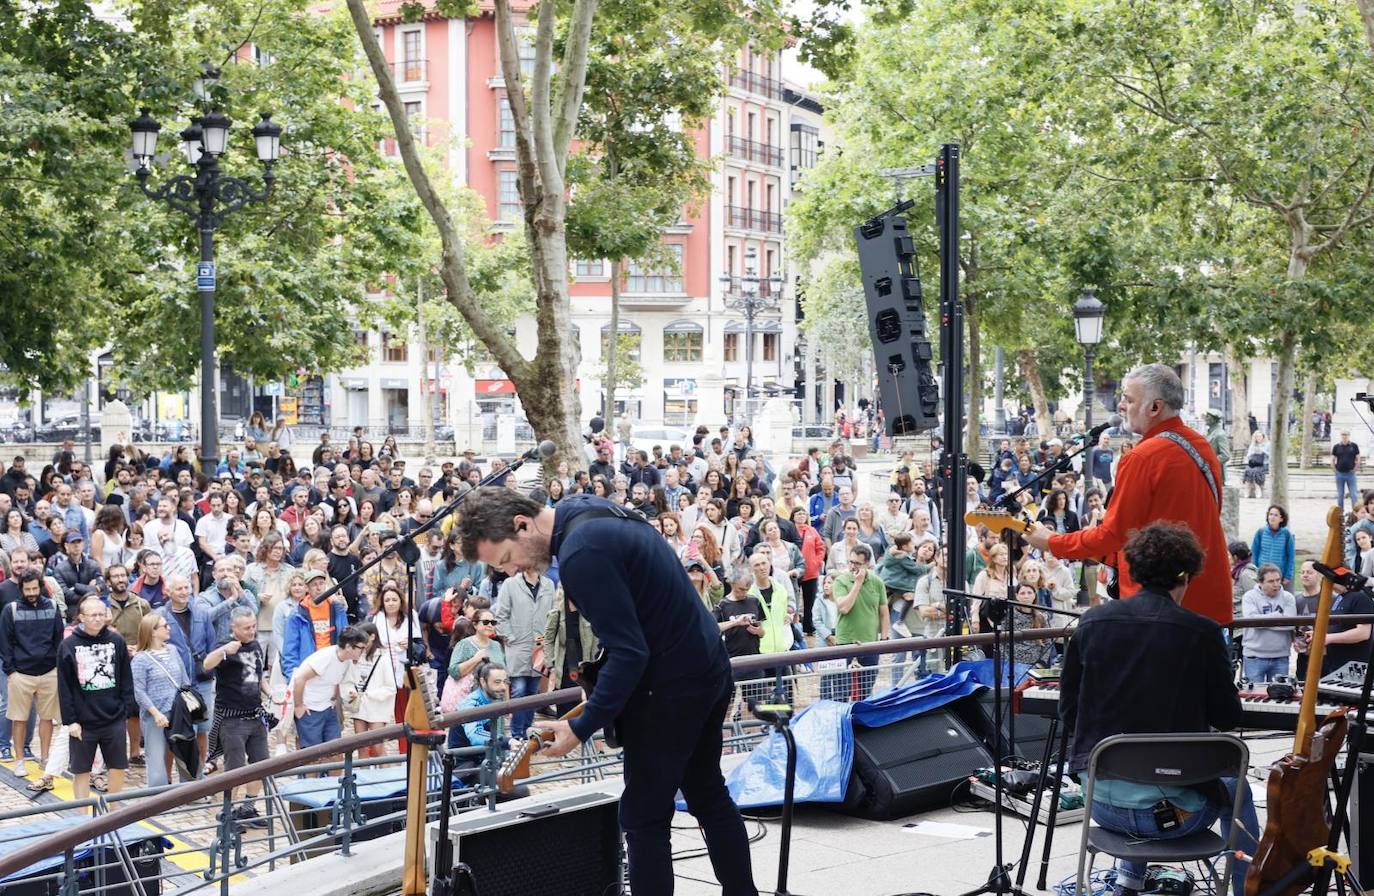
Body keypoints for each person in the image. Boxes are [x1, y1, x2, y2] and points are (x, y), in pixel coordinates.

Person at [458, 488, 757, 896]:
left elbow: (631, 651)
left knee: (643, 817)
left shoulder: (581, 553)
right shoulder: (586, 511)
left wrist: (581, 728)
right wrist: (600, 687)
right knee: (708, 794)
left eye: (508, 559)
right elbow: (639, 618)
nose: (512, 571)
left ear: (521, 524)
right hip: (705, 667)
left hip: (669, 687)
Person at [1059, 523, 1257, 896]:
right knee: (1236, 785)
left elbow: (1069, 711)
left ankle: (1128, 883)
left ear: (1132, 570)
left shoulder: (1092, 622)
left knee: (1140, 764)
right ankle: (1250, 890)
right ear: (1186, 575)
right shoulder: (1201, 632)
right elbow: (1228, 717)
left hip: (1098, 805)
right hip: (1175, 818)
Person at [1026, 364, 1232, 624]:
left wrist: (1052, 542)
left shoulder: (1141, 458)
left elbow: (1113, 535)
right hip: (1208, 604)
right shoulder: (1202, 446)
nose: (1121, 405)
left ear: (1154, 407)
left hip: (1159, 612)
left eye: (1128, 398)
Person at [58, 596, 135, 799]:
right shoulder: (68, 645)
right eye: (93, 615)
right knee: (81, 770)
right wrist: (71, 720)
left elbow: (126, 677)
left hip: (114, 717)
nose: (97, 619)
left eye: (101, 614)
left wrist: (126, 710)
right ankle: (82, 817)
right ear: (82, 617)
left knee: (117, 766)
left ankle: (113, 810)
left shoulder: (116, 640)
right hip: (83, 721)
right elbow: (64, 686)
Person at [202, 607, 270, 825]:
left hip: (255, 715)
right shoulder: (225, 645)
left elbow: (257, 675)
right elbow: (206, 665)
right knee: (234, 770)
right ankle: (227, 813)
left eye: (253, 626)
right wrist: (224, 652)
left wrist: (270, 693)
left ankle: (248, 809)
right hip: (232, 718)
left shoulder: (256, 644)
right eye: (246, 628)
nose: (251, 631)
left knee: (261, 764)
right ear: (234, 628)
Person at [1, 569, 64, 778]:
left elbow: (58, 639)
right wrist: (11, 671)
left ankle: (45, 758)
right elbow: (5, 643)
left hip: (48, 672)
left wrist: (56, 666)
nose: (31, 592)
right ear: (21, 589)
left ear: (40, 586)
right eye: (27, 589)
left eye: (34, 588)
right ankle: (20, 760)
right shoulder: (11, 610)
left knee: (47, 719)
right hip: (21, 673)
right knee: (19, 719)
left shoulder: (53, 606)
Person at [130, 613, 191, 788]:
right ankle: (158, 795)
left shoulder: (172, 650)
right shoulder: (140, 659)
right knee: (156, 757)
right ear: (153, 631)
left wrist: (186, 703)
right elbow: (139, 692)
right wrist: (156, 713)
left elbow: (184, 679)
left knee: (185, 753)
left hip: (178, 711)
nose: (169, 628)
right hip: (155, 716)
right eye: (164, 626)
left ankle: (191, 790)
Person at [291, 626, 368, 749]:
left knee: (335, 750)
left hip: (328, 707)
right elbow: (299, 678)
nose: (363, 651)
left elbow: (336, 679)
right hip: (311, 709)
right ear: (348, 647)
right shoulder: (324, 658)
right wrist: (298, 706)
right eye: (361, 648)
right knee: (312, 754)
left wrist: (334, 698)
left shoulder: (346, 660)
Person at [1239, 564, 1295, 683]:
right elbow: (1252, 622)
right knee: (1253, 695)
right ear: (1260, 582)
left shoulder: (1288, 597)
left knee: (1280, 695)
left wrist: (1263, 622)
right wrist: (1278, 617)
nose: (1276, 584)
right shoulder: (1249, 597)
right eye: (1271, 581)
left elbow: (1290, 624)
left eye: (1278, 580)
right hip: (1254, 657)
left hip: (1280, 656)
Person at [452, 660, 509, 752]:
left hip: (485, 756)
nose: (503, 687)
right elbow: (475, 734)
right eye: (497, 682)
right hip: (465, 760)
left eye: (505, 682)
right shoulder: (471, 703)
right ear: (483, 682)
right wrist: (507, 742)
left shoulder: (492, 698)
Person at [1251, 504, 1296, 588]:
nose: (1272, 517)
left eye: (1276, 515)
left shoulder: (1286, 534)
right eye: (1270, 514)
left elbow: (1291, 556)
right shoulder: (1260, 532)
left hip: (1278, 575)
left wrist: (1288, 575)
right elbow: (1254, 553)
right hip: (1262, 574)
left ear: (1281, 519)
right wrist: (1255, 571)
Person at [1333, 429, 1362, 512]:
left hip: (1351, 474)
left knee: (1354, 495)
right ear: (1341, 436)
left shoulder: (1354, 446)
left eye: (1346, 434)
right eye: (1343, 434)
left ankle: (1355, 514)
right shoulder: (1336, 446)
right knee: (1340, 495)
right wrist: (1335, 470)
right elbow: (1332, 459)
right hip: (1340, 474)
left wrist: (1355, 468)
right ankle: (1340, 513)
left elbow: (1358, 458)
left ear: (1349, 436)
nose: (1344, 436)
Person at [1242, 431, 1269, 499]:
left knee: (1255, 472)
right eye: (1257, 436)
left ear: (1263, 437)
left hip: (1263, 464)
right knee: (1248, 471)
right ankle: (1247, 489)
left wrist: (1263, 451)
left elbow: (1270, 455)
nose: (1258, 438)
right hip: (1254, 463)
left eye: (1260, 436)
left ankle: (1258, 489)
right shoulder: (1253, 445)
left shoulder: (1268, 444)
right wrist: (1253, 452)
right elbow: (1248, 456)